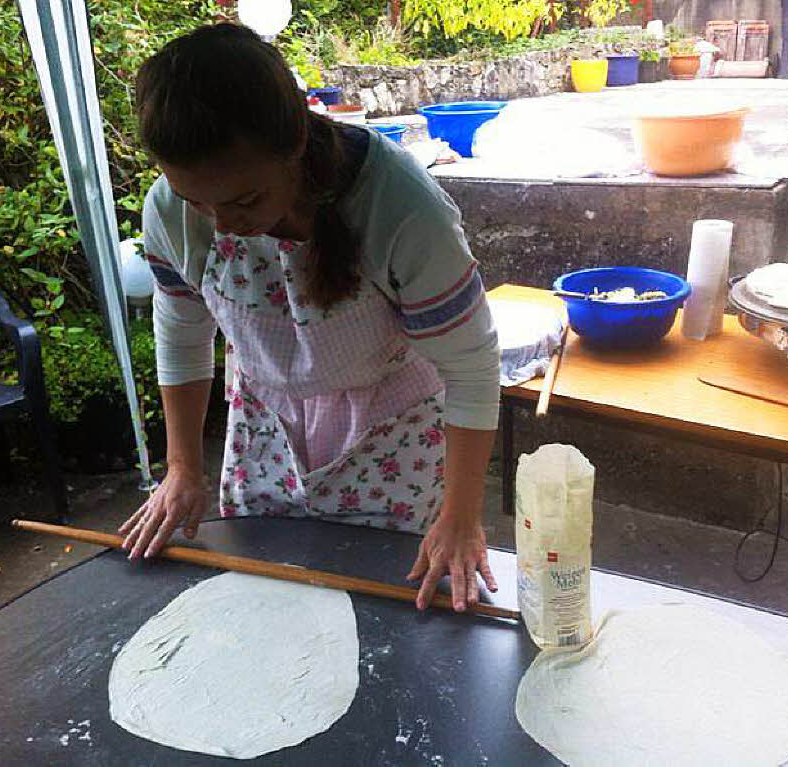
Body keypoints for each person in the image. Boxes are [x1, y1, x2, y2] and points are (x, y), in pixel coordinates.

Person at [119, 23, 501, 613]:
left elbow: (473, 367)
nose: (220, 225)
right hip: (265, 421)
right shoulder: (171, 212)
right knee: (267, 592)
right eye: (198, 200)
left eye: (244, 201)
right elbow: (182, 334)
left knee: (389, 605)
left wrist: (461, 516)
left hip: (391, 424)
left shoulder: (399, 207)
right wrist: (182, 468)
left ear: (293, 147)